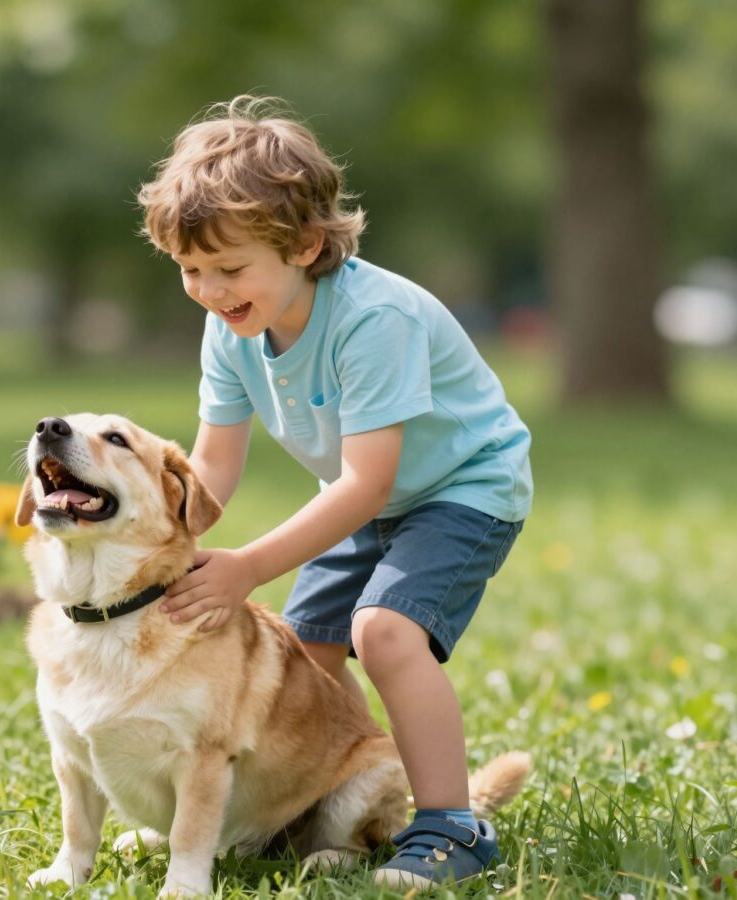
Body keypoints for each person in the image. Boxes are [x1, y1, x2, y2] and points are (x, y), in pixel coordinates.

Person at [137, 96, 532, 889]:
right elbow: (215, 464)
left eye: (229, 267)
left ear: (306, 245)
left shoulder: (373, 319)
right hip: (373, 498)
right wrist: (165, 549)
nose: (210, 290)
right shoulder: (233, 325)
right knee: (303, 658)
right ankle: (304, 812)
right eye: (191, 270)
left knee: (385, 633)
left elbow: (367, 482)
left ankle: (452, 826)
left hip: (464, 488)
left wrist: (246, 566)